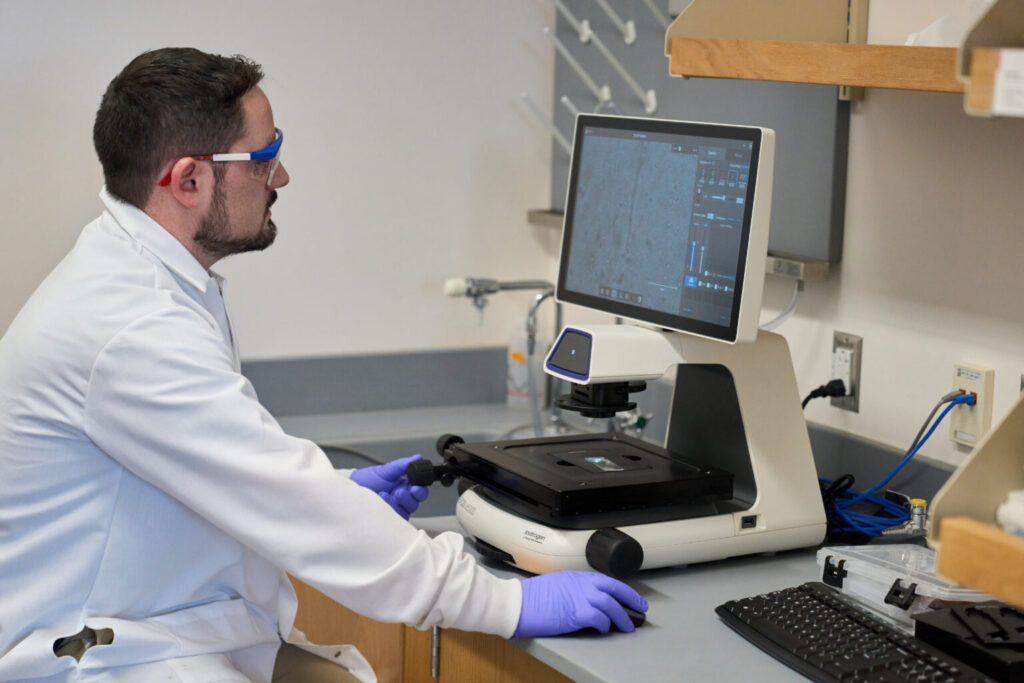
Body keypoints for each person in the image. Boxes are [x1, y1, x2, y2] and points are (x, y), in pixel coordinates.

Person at [0, 48, 647, 683]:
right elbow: (283, 495)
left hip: (159, 624)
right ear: (189, 180)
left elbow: (233, 477)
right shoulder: (131, 326)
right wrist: (506, 603)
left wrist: (339, 494)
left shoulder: (151, 279)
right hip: (99, 651)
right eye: (263, 159)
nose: (280, 177)